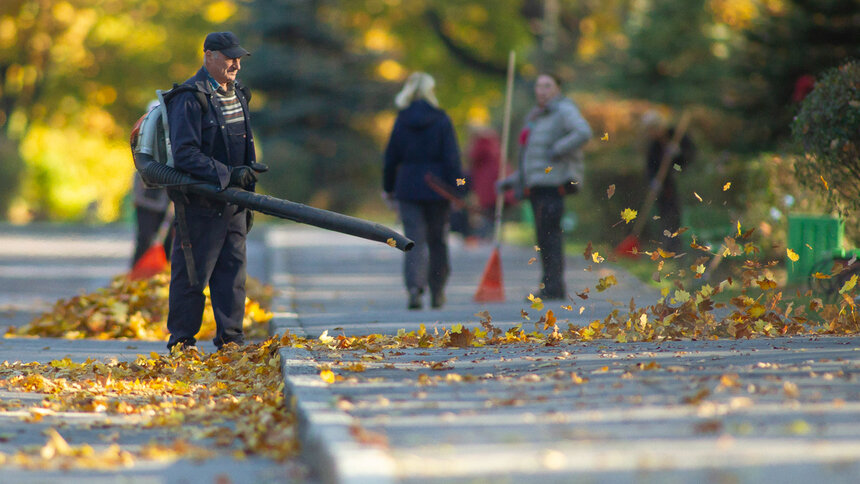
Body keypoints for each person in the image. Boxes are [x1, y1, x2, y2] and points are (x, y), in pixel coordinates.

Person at [165, 31, 266, 352]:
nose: (236, 63)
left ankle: (231, 341)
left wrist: (247, 175)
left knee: (233, 275)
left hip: (235, 203)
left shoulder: (237, 94)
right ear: (208, 56)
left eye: (238, 57)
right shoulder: (190, 97)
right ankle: (181, 343)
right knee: (193, 276)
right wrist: (228, 174)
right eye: (228, 57)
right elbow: (185, 154)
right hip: (200, 204)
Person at [498, 73, 592, 300]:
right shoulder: (536, 116)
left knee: (550, 237)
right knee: (544, 237)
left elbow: (583, 132)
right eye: (539, 86)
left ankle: (552, 287)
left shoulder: (563, 110)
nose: (542, 90)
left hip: (553, 184)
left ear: (558, 88)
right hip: (537, 186)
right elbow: (533, 159)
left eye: (548, 86)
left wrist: (559, 148)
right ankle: (551, 285)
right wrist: (511, 181)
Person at [383, 72, 463, 310]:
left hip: (407, 187)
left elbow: (390, 159)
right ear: (431, 90)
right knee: (438, 240)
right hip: (437, 188)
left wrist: (388, 189)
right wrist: (460, 189)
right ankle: (437, 290)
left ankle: (415, 289)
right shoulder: (441, 120)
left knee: (412, 240)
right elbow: (453, 161)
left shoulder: (401, 119)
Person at [641, 110, 696, 253]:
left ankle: (679, 251)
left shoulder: (677, 136)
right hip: (665, 187)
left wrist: (679, 154)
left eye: (653, 129)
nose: (651, 133)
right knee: (665, 217)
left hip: (681, 179)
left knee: (678, 218)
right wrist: (654, 180)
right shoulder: (654, 145)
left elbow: (689, 158)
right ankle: (667, 249)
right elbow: (652, 166)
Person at [131, 171, 172, 266]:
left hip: (164, 206)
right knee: (145, 239)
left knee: (168, 241)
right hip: (146, 206)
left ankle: (163, 269)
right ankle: (137, 270)